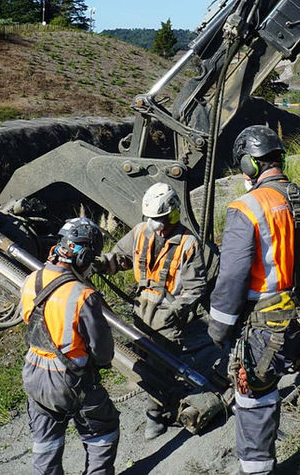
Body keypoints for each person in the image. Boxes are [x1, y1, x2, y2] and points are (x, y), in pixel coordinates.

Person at [207, 125, 300, 475]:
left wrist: (218, 327)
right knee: (271, 383)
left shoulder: (247, 207)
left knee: (252, 396)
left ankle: (257, 470)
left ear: (250, 165)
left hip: (263, 323)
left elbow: (233, 275)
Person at [96, 182, 208, 439]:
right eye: (151, 219)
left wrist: (177, 311)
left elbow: (195, 287)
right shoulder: (140, 232)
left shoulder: (188, 244)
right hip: (141, 309)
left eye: (159, 219)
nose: (155, 225)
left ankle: (156, 417)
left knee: (162, 365)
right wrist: (100, 263)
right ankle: (159, 403)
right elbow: (121, 258)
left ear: (172, 213)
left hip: (168, 313)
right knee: (141, 359)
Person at [21, 217, 119, 475]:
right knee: (103, 431)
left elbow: (28, 318)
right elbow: (103, 350)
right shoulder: (83, 295)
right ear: (84, 257)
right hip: (70, 379)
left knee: (47, 443)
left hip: (33, 372)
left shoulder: (31, 280)